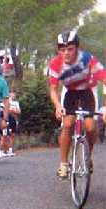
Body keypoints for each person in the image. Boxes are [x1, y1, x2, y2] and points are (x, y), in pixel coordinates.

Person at [48, 30, 106, 179]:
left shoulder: (88, 59)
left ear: (77, 48)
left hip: (88, 91)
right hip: (70, 92)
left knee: (90, 127)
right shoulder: (55, 64)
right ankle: (63, 164)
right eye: (62, 50)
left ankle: (88, 156)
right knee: (67, 125)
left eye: (70, 49)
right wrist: (57, 106)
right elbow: (53, 90)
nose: (66, 53)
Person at [4, 91, 20, 157]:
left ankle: (10, 150)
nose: (13, 96)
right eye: (11, 95)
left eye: (14, 95)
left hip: (14, 120)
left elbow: (19, 111)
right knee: (6, 135)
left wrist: (13, 111)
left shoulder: (16, 103)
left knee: (13, 135)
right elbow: (5, 110)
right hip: (8, 120)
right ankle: (5, 150)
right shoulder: (7, 102)